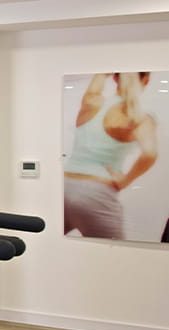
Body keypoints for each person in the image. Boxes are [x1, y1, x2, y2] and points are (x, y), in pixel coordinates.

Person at [64, 72, 158, 239]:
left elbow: (95, 86)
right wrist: (125, 180)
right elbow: (150, 154)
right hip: (96, 193)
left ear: (114, 78)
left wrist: (103, 73)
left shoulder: (91, 101)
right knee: (114, 255)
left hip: (66, 186)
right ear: (147, 80)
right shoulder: (139, 117)